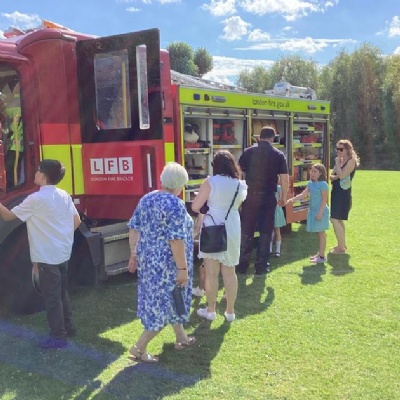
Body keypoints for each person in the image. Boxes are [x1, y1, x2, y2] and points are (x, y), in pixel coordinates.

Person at [0, 159, 81, 348]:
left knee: (52, 298)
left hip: (46, 256)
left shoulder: (35, 199)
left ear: (43, 176)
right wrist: (61, 236)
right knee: (62, 292)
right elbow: (76, 221)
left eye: (37, 171)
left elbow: (8, 216)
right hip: (63, 252)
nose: (34, 173)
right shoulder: (64, 195)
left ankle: (58, 337)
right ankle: (69, 328)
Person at [127, 162, 195, 363]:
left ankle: (181, 338)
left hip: (149, 262)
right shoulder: (175, 204)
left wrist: (133, 253)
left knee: (171, 299)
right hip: (167, 264)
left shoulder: (148, 198)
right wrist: (182, 269)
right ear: (179, 184)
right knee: (163, 304)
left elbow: (134, 227)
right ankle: (139, 348)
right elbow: (175, 240)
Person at [191, 150, 247, 322]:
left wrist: (207, 204)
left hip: (212, 227)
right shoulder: (240, 184)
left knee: (211, 273)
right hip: (232, 227)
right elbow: (238, 204)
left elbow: (195, 206)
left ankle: (211, 310)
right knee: (230, 271)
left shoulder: (210, 182)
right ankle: (230, 312)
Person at [237, 126, 289, 276]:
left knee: (247, 231)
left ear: (259, 137)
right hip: (268, 197)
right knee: (266, 232)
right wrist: (283, 197)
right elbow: (284, 179)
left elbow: (238, 172)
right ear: (273, 138)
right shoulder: (278, 155)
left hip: (250, 196)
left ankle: (242, 264)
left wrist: (239, 192)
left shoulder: (248, 152)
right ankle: (261, 266)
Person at [287, 163, 329, 263]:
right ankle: (320, 253)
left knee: (321, 233)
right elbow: (303, 194)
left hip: (321, 211)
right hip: (313, 211)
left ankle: (322, 257)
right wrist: (292, 200)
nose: (312, 173)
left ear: (320, 173)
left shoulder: (323, 184)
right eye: (311, 171)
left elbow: (324, 200)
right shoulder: (310, 183)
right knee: (318, 233)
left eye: (315, 171)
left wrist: (320, 213)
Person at [329, 139, 360, 254]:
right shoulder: (340, 160)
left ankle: (340, 247)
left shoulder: (351, 161)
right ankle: (342, 244)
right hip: (336, 191)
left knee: (334, 219)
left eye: (341, 149)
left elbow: (341, 175)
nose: (338, 151)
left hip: (343, 193)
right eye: (337, 149)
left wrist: (337, 165)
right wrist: (337, 174)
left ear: (347, 150)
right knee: (339, 219)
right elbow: (331, 176)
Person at [270, 181, 286, 257]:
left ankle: (278, 250)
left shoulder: (278, 188)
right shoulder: (268, 187)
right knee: (270, 231)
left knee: (277, 231)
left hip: (276, 210)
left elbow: (280, 199)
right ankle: (269, 249)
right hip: (270, 210)